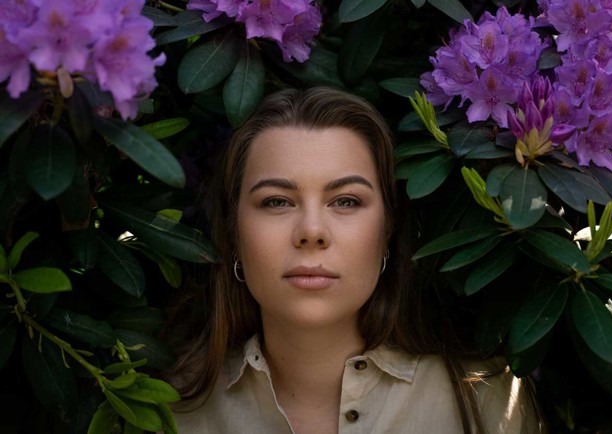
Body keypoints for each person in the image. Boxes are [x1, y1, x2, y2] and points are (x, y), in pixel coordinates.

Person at [165, 87, 543, 434]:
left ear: (387, 234)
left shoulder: (487, 398)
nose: (312, 231)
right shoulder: (166, 409)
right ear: (234, 237)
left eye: (346, 201)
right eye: (276, 201)